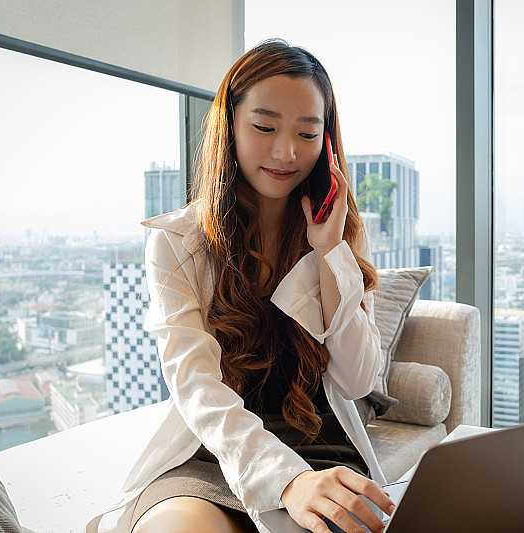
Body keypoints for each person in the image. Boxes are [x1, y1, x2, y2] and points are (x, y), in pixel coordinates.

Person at [86, 39, 395, 533]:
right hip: (215, 448)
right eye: (264, 127)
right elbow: (197, 388)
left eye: (308, 132)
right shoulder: (177, 243)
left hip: (319, 445)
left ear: (328, 143)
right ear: (228, 126)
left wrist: (329, 250)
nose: (286, 152)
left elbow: (358, 379)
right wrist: (286, 480)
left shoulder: (340, 233)